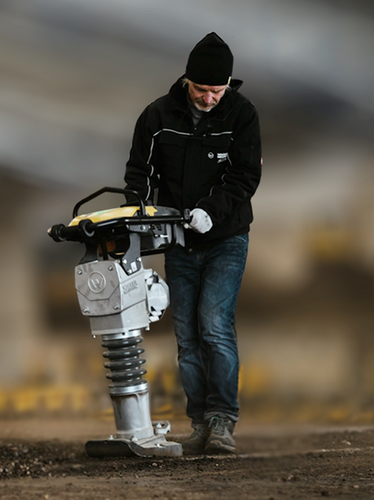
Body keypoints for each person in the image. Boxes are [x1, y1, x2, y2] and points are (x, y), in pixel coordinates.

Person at [122, 32, 262, 455]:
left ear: (228, 84)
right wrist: (138, 214)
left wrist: (210, 210)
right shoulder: (157, 115)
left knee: (214, 325)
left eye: (217, 91)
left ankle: (222, 420)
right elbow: (138, 174)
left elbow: (244, 177)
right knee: (185, 335)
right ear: (188, 81)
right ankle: (199, 421)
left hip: (226, 238)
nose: (209, 98)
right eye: (202, 90)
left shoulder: (242, 115)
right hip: (178, 242)